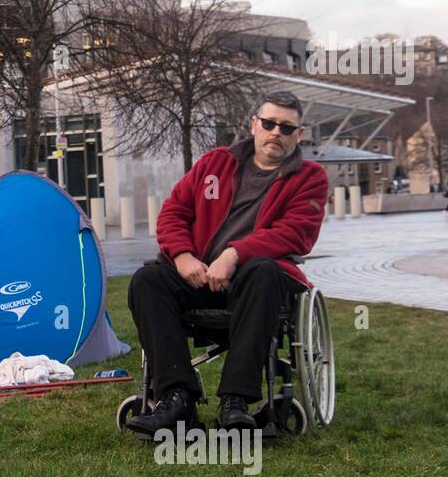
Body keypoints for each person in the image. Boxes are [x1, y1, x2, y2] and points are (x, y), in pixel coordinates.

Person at [126, 91, 329, 433]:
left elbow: (296, 234)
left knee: (265, 270)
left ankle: (236, 399)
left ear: (299, 134)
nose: (276, 133)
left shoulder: (310, 178)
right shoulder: (215, 163)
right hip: (197, 276)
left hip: (253, 283)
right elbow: (173, 212)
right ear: (254, 125)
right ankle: (176, 399)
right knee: (147, 280)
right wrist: (182, 255)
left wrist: (234, 255)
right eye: (268, 124)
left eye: (286, 127)